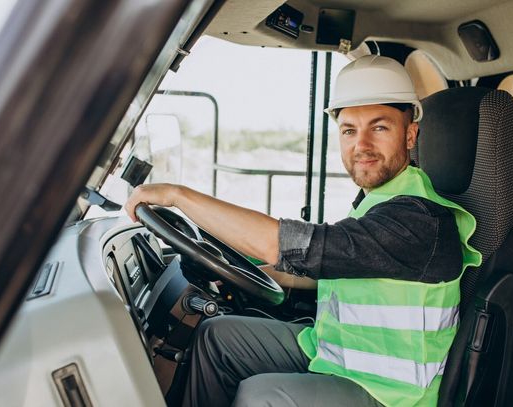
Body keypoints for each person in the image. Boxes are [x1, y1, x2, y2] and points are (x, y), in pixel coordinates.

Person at [125, 55, 482, 407]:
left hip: (391, 393)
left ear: (410, 135)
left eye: (380, 127)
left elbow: (290, 245)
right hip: (338, 353)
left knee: (262, 397)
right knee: (217, 336)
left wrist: (177, 195)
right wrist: (246, 276)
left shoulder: (418, 218)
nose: (362, 146)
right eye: (349, 130)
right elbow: (335, 266)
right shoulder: (382, 201)